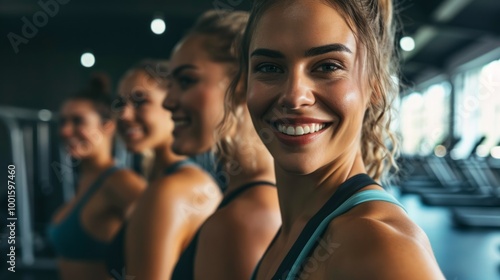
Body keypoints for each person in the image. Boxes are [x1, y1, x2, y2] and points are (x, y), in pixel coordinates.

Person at [235, 0, 446, 279]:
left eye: (328, 66)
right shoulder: (296, 226)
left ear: (375, 84)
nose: (294, 96)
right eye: (270, 68)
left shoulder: (382, 247)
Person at [164, 10, 281, 280]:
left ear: (241, 85)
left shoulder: (240, 220)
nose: (168, 101)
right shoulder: (256, 199)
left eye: (186, 81)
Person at [114, 60, 221, 279]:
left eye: (140, 101)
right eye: (120, 103)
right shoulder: (166, 180)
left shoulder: (172, 189)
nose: (123, 115)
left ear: (172, 103)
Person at [48, 75, 146, 280]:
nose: (66, 131)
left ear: (108, 126)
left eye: (78, 121)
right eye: (63, 121)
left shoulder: (121, 182)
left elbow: (164, 240)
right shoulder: (87, 180)